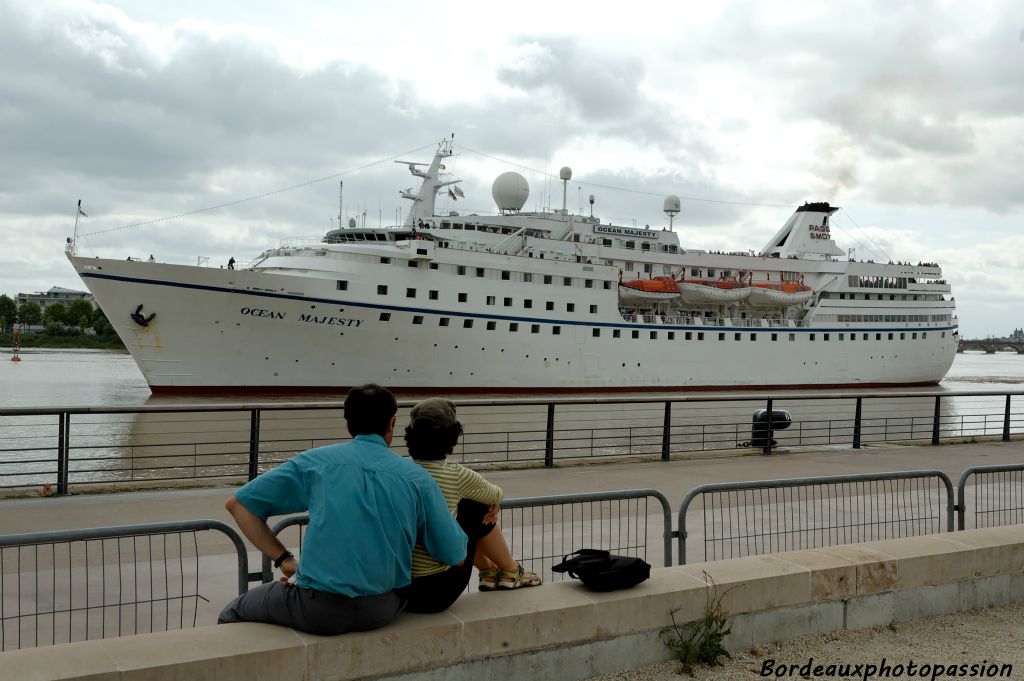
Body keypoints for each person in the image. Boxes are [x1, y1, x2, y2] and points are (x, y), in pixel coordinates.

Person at [218, 384, 467, 634]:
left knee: (234, 611)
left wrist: (283, 559)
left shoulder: (314, 464)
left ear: (347, 422)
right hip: (384, 607)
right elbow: (454, 553)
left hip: (316, 609)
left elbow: (239, 506)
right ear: (391, 423)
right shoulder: (417, 478)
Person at [400, 398, 541, 614]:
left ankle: (488, 570)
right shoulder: (457, 475)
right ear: (453, 439)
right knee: (475, 507)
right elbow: (495, 493)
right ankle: (511, 571)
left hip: (400, 589)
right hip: (438, 592)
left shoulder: (398, 471)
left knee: (463, 507)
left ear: (410, 436)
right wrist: (492, 503)